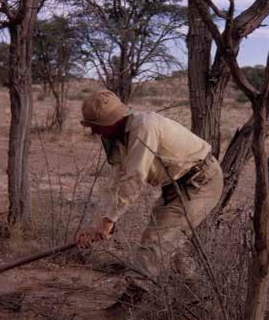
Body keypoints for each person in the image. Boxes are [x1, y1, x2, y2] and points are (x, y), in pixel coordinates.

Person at [76, 89, 223, 308]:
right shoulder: (122, 136)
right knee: (169, 241)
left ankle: (130, 305)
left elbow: (135, 178)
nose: (95, 132)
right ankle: (195, 298)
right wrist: (103, 222)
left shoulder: (143, 127)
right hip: (177, 186)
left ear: (110, 122)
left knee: (156, 240)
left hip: (201, 181)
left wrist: (110, 220)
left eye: (96, 126)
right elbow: (120, 180)